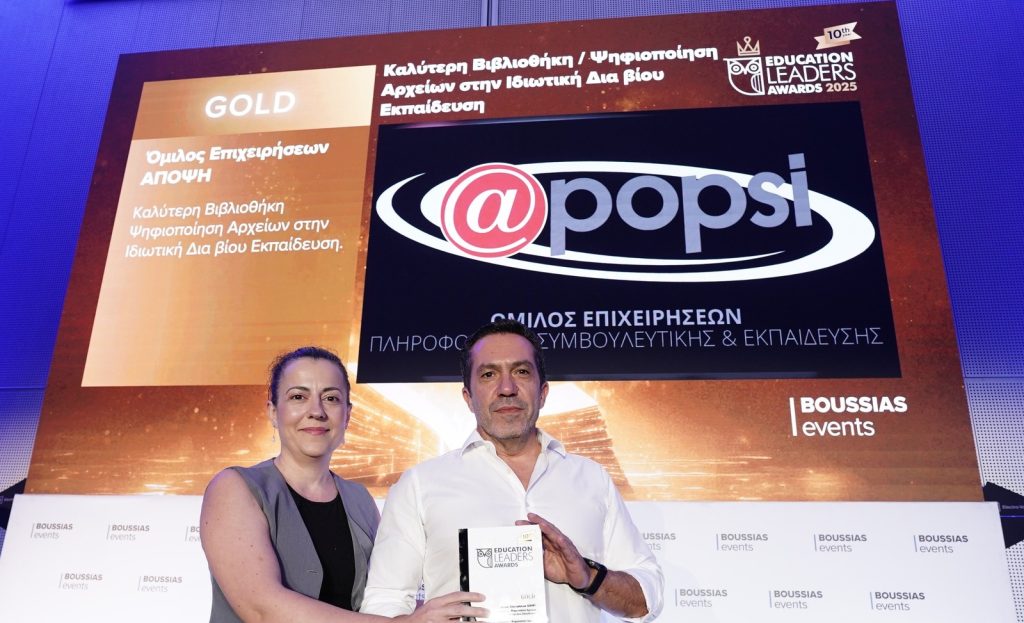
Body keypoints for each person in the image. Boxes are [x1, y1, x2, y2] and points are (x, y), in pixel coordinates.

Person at [361, 321, 664, 622]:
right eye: (489, 374)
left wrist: (588, 577)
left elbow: (645, 603)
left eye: (521, 372)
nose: (507, 389)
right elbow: (383, 603)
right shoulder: (419, 485)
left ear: (543, 393)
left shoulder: (591, 478)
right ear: (468, 397)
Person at [200, 346, 486, 623]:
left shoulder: (359, 499)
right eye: (298, 397)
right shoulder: (235, 488)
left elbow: (382, 596)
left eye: (331, 398)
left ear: (347, 414)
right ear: (273, 412)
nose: (316, 411)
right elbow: (262, 609)